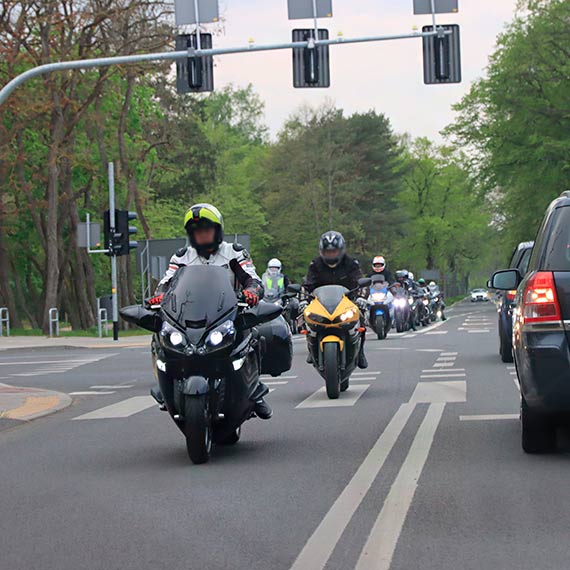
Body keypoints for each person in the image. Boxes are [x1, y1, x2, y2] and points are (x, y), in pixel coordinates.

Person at [149, 203, 272, 419]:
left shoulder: (233, 253)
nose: (202, 234)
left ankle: (255, 390)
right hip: (188, 318)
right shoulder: (181, 257)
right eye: (197, 230)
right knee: (160, 339)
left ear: (218, 229)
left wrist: (252, 291)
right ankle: (165, 386)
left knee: (253, 335)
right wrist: (159, 295)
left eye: (207, 228)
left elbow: (252, 278)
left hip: (227, 315)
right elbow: (167, 282)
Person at [303, 231, 368, 369]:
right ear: (322, 251)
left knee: (361, 316)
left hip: (346, 302)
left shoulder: (351, 264)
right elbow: (307, 284)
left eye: (334, 252)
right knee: (307, 317)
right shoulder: (315, 265)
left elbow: (360, 281)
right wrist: (303, 299)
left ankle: (360, 352)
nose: (331, 255)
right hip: (321, 303)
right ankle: (311, 346)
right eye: (328, 252)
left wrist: (362, 296)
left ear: (341, 250)